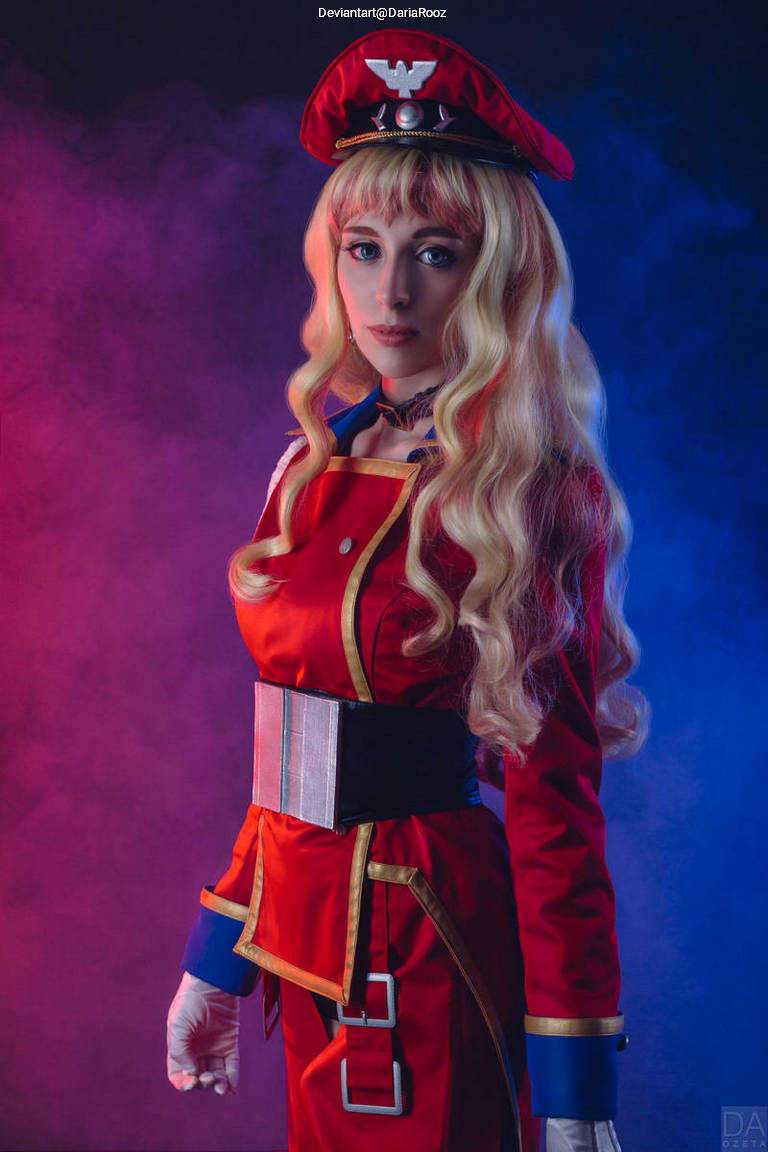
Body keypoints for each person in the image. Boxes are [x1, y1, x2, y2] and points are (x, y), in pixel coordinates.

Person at [165, 28, 647, 1152]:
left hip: (433, 953)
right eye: (363, 246)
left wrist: (576, 1094)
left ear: (493, 270)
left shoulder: (532, 486)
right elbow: (291, 758)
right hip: (304, 954)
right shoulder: (310, 465)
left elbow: (555, 809)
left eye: (433, 252)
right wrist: (216, 965)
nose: (390, 292)